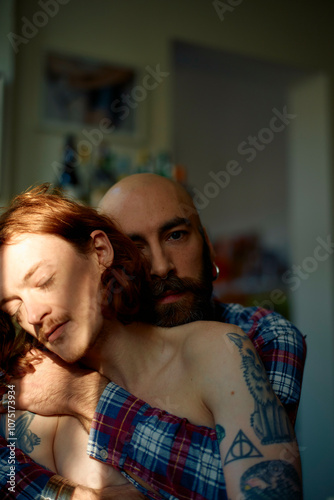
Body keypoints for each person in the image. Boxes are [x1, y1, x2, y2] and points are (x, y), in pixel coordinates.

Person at [0, 184, 303, 499]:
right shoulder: (31, 386)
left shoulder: (230, 346)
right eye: (14, 307)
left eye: (44, 281)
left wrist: (86, 397)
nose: (33, 315)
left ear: (100, 252)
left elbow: (269, 486)